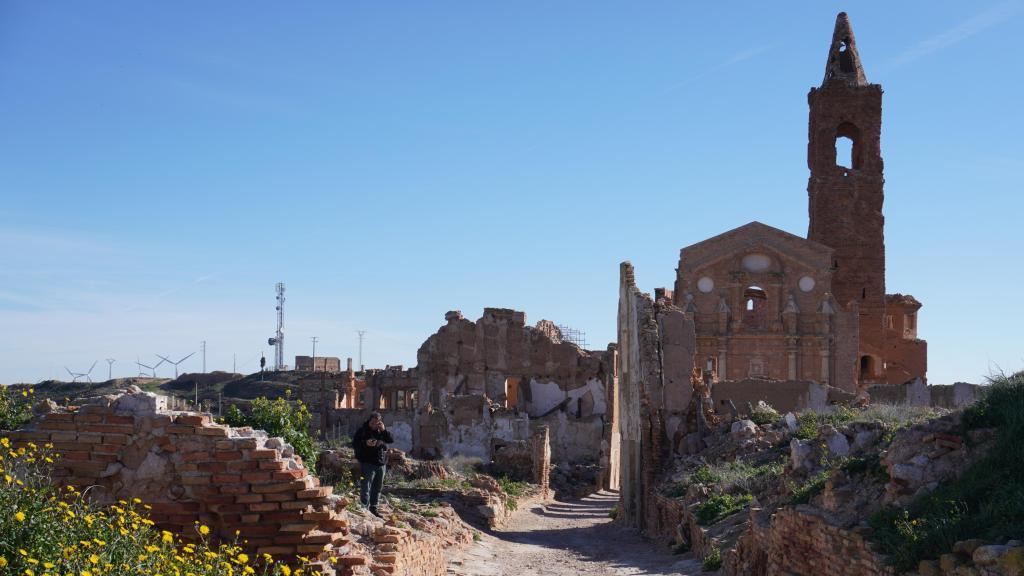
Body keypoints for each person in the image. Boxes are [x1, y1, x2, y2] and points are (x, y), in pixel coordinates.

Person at [352, 412, 393, 518]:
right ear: (369, 421)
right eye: (373, 422)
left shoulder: (381, 431)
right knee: (366, 486)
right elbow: (354, 444)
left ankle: (373, 508)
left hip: (380, 463)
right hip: (367, 463)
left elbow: (390, 440)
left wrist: (383, 430)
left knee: (377, 487)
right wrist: (366, 443)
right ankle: (364, 509)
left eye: (377, 423)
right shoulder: (362, 431)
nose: (374, 425)